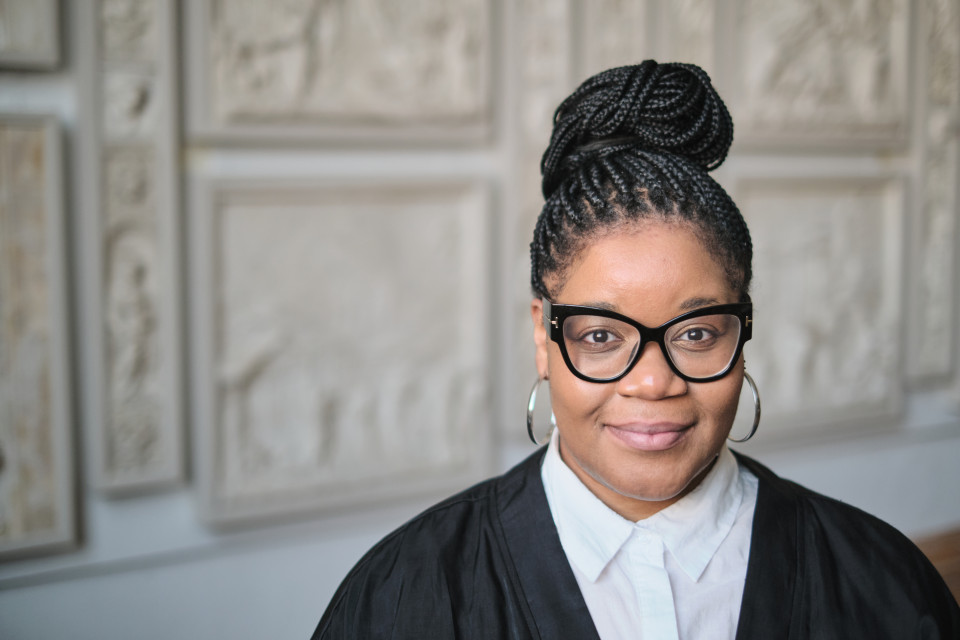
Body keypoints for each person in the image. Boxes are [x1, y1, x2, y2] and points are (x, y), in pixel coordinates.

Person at [312, 61, 959, 639]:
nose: (652, 383)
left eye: (697, 333)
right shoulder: (404, 597)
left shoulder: (886, 587)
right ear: (542, 336)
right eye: (600, 336)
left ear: (743, 331)